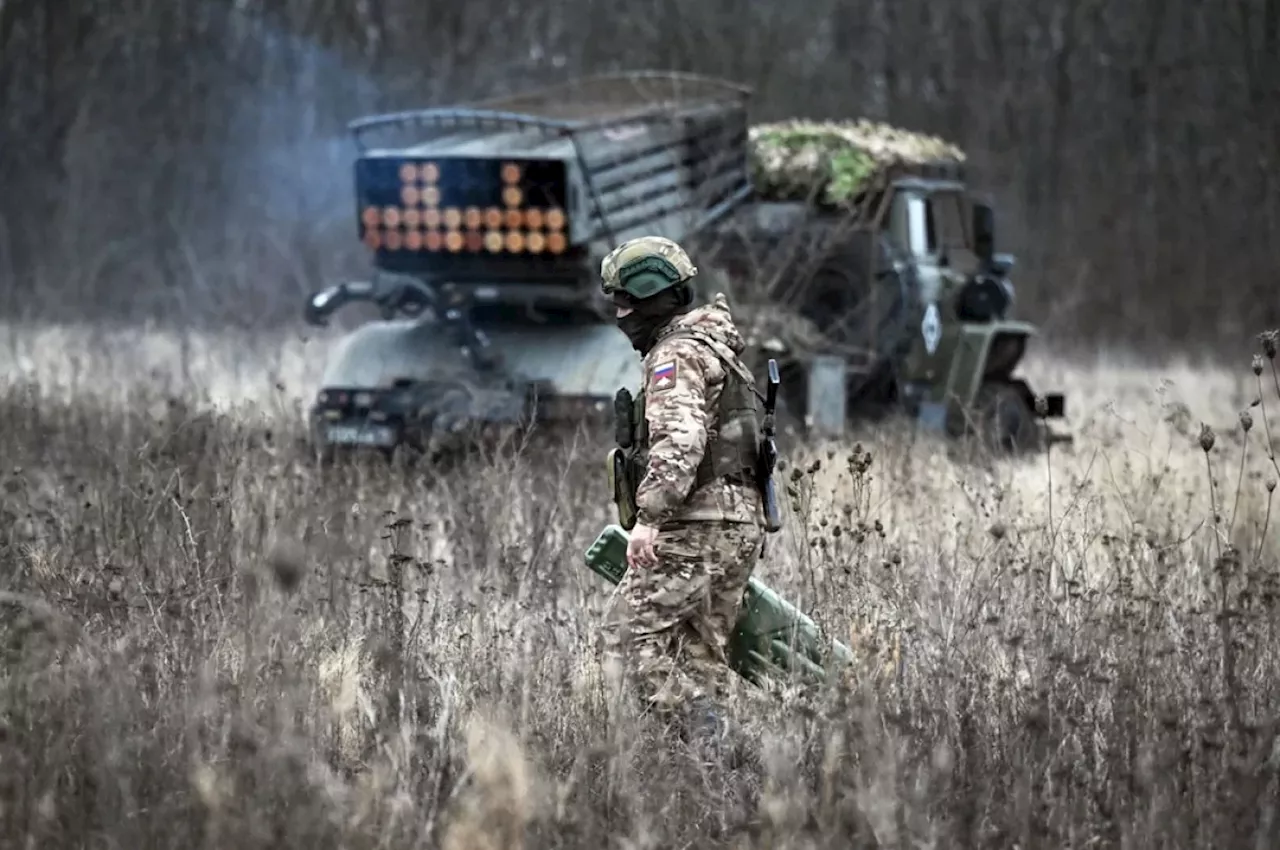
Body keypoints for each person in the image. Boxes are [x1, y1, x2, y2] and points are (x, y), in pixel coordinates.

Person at [598, 235, 767, 743]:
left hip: (698, 522)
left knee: (624, 639)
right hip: (737, 524)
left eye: (625, 302)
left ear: (652, 300)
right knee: (697, 656)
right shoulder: (716, 348)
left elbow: (682, 438)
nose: (620, 314)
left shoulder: (676, 355)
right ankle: (713, 781)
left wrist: (648, 520)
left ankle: (723, 740)